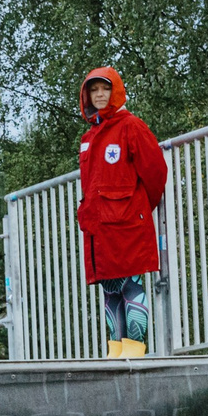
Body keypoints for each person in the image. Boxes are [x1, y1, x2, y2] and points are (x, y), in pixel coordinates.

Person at [73, 66, 167, 359]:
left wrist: (135, 209)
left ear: (116, 92)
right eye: (94, 90)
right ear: (87, 95)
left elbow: (155, 173)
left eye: (105, 89)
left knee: (131, 287)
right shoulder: (89, 137)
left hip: (127, 227)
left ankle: (135, 352)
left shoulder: (131, 126)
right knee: (110, 292)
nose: (100, 95)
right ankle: (116, 352)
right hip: (100, 232)